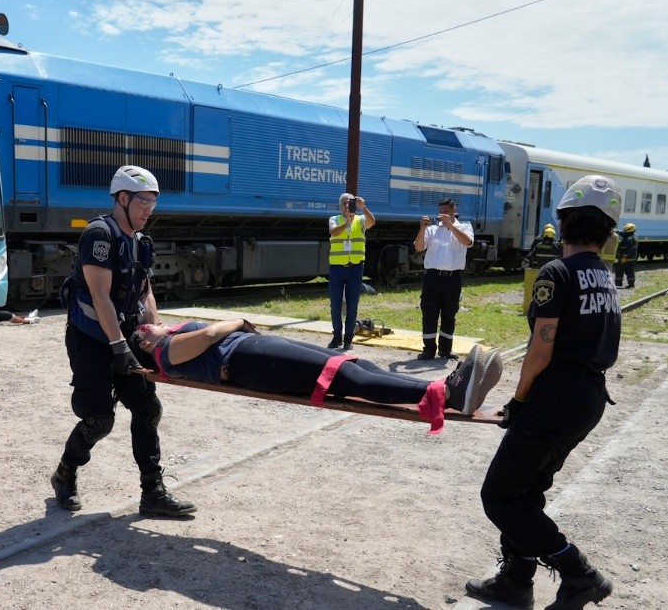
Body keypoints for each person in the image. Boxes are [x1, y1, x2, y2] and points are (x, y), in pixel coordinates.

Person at [465, 175, 622, 610]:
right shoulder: (605, 277)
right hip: (588, 399)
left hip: (555, 398)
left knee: (499, 495)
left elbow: (539, 351)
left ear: (563, 222)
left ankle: (579, 573)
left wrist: (518, 402)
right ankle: (516, 580)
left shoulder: (557, 273)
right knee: (526, 492)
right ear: (608, 231)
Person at [50, 165, 196, 517]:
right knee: (100, 419)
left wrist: (157, 333)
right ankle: (64, 474)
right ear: (123, 198)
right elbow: (100, 297)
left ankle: (153, 492)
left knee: (147, 409)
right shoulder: (99, 235)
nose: (149, 210)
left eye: (153, 204)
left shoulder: (140, 241)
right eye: (144, 202)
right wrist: (118, 347)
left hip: (124, 334)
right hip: (91, 337)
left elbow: (145, 292)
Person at [132, 319, 502, 432]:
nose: (149, 324)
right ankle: (446, 394)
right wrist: (236, 323)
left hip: (252, 353)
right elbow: (214, 335)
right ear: (146, 348)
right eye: (143, 332)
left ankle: (447, 388)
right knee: (342, 380)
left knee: (352, 366)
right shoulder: (167, 352)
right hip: (246, 361)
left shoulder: (167, 339)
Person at [414, 198, 474, 360]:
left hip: (452, 278)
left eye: (445, 212)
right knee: (429, 313)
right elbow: (419, 247)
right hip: (432, 277)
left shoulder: (465, 226)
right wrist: (421, 229)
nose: (442, 215)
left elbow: (468, 242)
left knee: (449, 314)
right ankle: (428, 349)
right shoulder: (433, 229)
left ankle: (446, 350)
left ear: (454, 210)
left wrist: (451, 226)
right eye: (440, 212)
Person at [327, 193, 375, 350]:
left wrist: (363, 208)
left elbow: (371, 222)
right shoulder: (335, 219)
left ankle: (348, 339)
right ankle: (336, 337)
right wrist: (346, 223)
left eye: (351, 203)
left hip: (355, 267)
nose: (348, 206)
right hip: (337, 267)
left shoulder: (360, 219)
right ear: (340, 206)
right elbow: (333, 232)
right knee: (335, 304)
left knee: (352, 305)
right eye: (345, 204)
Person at [614, 223, 638, 288]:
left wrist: (624, 256)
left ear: (628, 230)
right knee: (630, 271)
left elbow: (628, 249)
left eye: (625, 229)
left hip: (626, 258)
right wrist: (616, 231)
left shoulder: (629, 238)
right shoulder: (630, 235)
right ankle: (631, 284)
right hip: (630, 258)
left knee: (620, 269)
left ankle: (619, 283)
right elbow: (623, 233)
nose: (624, 230)